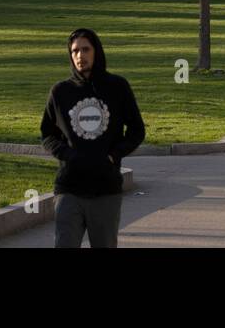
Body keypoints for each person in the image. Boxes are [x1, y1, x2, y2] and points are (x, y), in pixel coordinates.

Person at [40, 28, 146, 247]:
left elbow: (137, 131)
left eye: (85, 49)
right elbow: (47, 134)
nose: (80, 56)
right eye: (75, 51)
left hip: (105, 188)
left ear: (96, 51)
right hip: (69, 187)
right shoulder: (60, 92)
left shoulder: (117, 87)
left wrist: (113, 155)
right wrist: (68, 155)